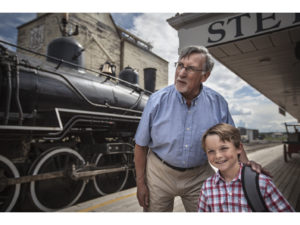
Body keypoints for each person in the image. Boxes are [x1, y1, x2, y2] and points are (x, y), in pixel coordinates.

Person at [134, 45, 262, 212]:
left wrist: (246, 169)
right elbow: (140, 146)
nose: (181, 73)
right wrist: (141, 183)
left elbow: (232, 141)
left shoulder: (218, 103)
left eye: (191, 69)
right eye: (180, 65)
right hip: (159, 174)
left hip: (199, 176)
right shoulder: (156, 101)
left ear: (205, 76)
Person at [198, 123, 294, 212]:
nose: (218, 155)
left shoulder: (261, 183)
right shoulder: (207, 187)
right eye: (211, 151)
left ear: (239, 148)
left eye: (223, 148)